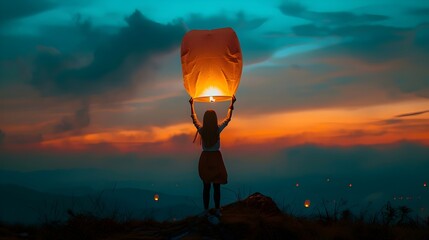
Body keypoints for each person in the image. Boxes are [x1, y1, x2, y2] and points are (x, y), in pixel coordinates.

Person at [189, 95, 236, 217]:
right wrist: (232, 104)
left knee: (206, 186)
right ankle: (217, 209)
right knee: (216, 186)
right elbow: (227, 119)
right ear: (214, 119)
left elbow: (194, 119)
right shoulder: (217, 130)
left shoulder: (202, 130)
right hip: (216, 159)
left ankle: (206, 210)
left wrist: (191, 105)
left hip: (205, 159)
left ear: (205, 119)